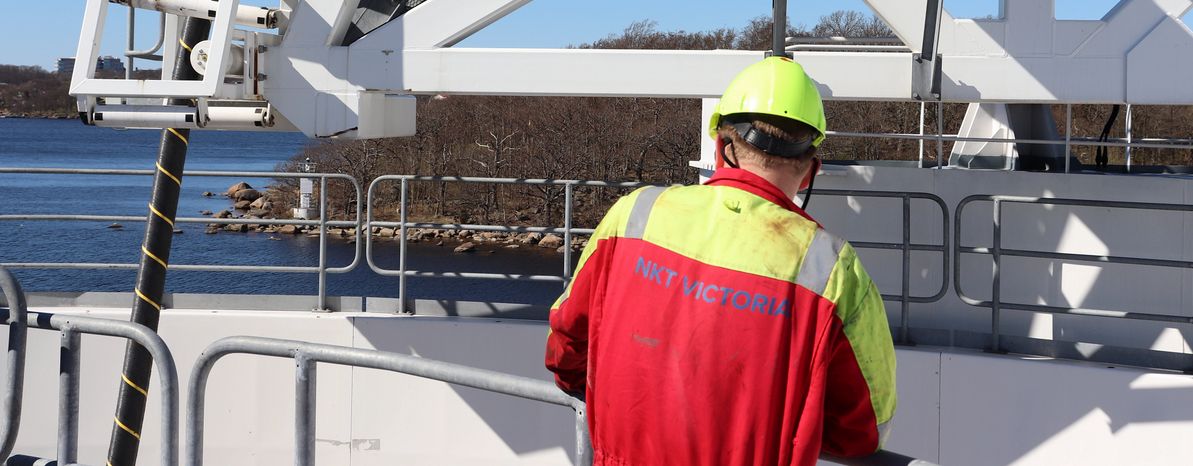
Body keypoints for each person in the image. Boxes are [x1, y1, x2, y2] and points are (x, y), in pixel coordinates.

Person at [544, 57, 896, 466]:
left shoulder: (634, 213)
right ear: (808, 173)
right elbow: (863, 430)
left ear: (721, 148)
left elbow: (566, 343)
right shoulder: (832, 269)